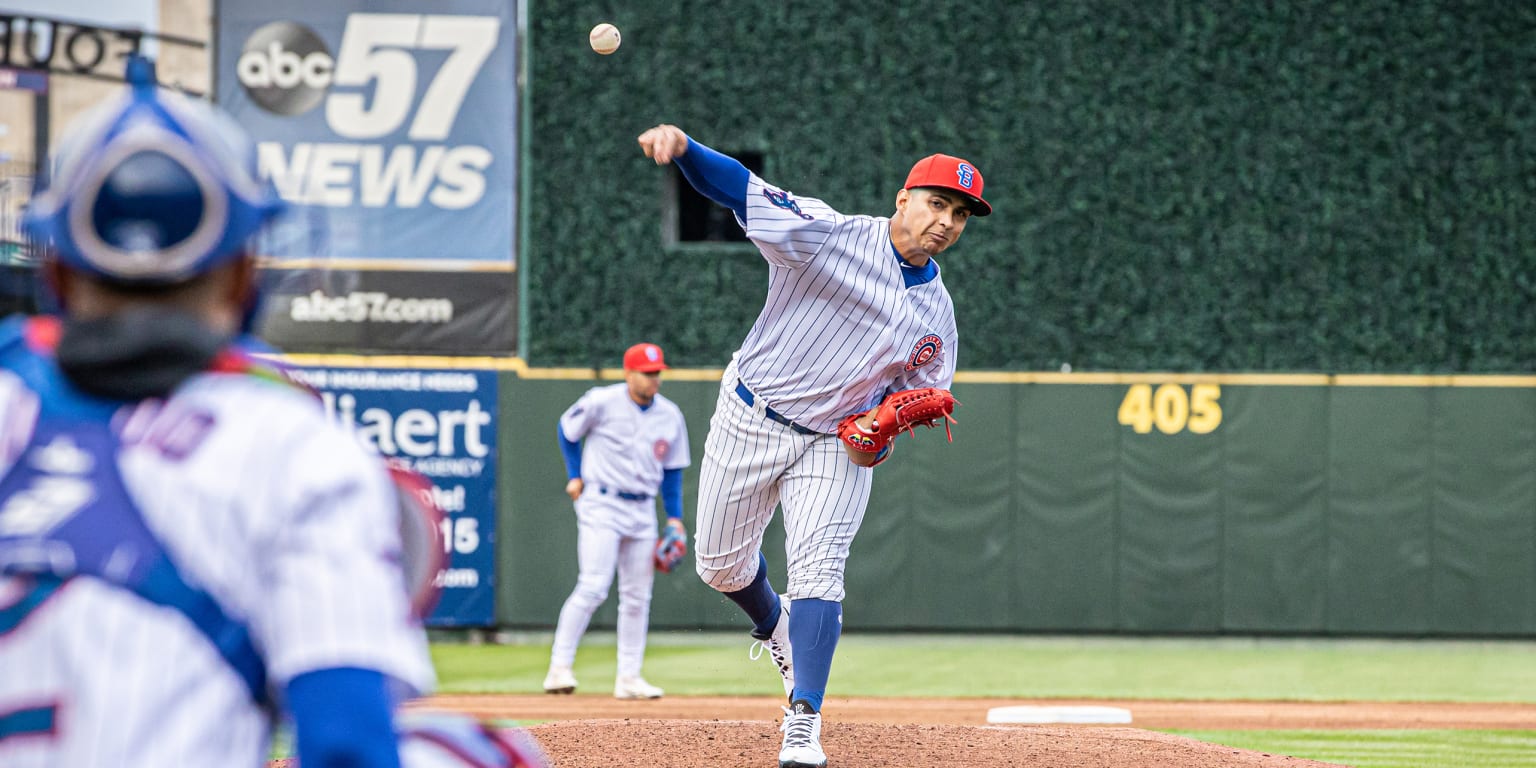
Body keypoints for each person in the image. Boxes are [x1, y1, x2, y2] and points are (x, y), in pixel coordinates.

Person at [0, 56, 545, 768]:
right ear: (242, 270)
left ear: (58, 270)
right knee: (474, 753)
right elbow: (346, 743)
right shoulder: (291, 447)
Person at [637, 124, 988, 768]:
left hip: (832, 445)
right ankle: (773, 626)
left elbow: (910, 408)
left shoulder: (938, 317)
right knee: (719, 566)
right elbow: (743, 192)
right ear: (904, 197)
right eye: (937, 203)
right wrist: (686, 150)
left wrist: (874, 444)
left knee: (819, 569)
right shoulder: (826, 233)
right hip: (752, 414)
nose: (946, 221)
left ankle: (804, 721)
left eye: (960, 214)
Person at [543, 342, 691, 700]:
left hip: (641, 509)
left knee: (637, 597)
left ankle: (629, 677)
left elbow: (672, 471)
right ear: (629, 373)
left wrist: (674, 519)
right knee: (593, 585)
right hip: (601, 502)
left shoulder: (670, 415)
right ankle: (559, 667)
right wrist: (574, 474)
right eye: (647, 373)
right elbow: (567, 430)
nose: (654, 379)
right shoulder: (601, 401)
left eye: (657, 372)